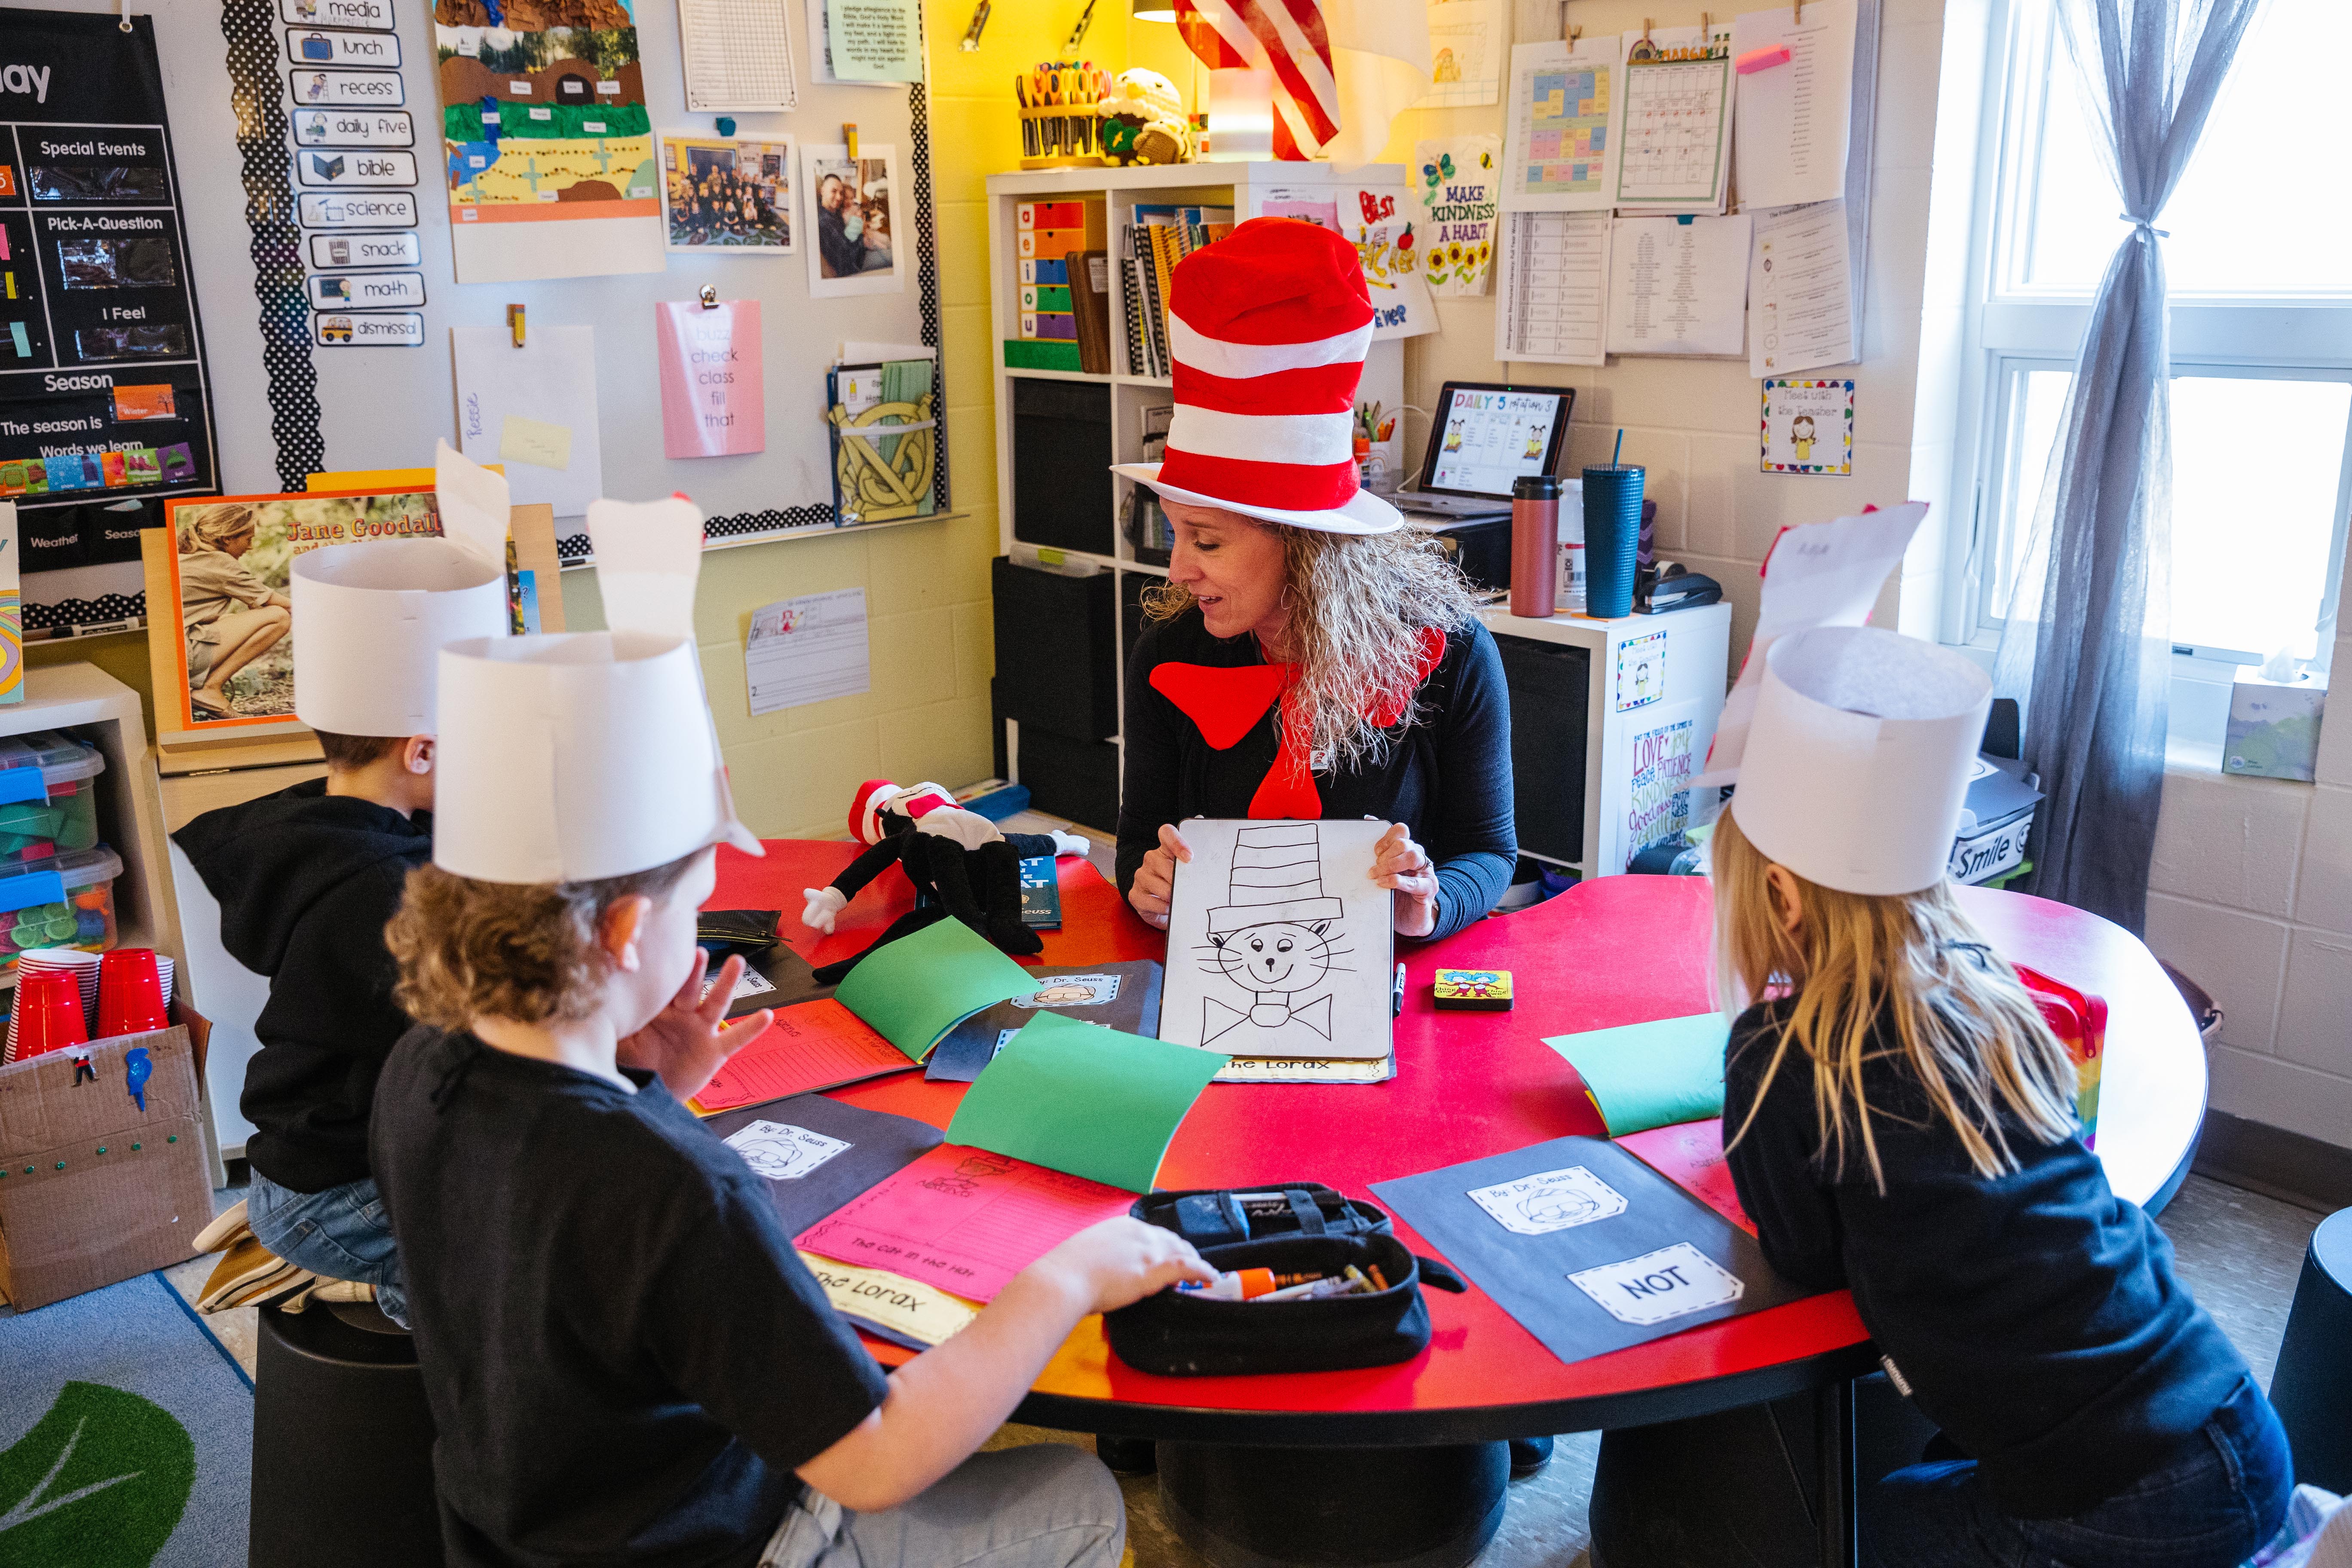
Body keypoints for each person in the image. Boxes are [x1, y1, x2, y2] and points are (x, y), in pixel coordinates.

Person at [372, 513, 1210, 1568]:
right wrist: (1067, 1276)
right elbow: (871, 1461)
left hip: (514, 1532)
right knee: (1074, 1491)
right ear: (629, 931)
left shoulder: (420, 1069)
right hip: (717, 1541)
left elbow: (554, 1242)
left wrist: (657, 1089)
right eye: (695, 899)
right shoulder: (679, 1189)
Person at [1711, 624, 2293, 1568]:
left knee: (1879, 1529)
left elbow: (1809, 1263)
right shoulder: (1992, 996)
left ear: (1780, 896)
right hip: (2233, 1425)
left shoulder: (1780, 1055)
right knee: (1922, 1487)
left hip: (2129, 1501)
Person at [1112, 217, 1514, 946]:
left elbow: (1488, 851)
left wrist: (1430, 897)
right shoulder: (1169, 657)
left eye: (1206, 540)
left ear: (1308, 547)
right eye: (1175, 532)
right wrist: (1148, 887)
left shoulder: (1450, 653)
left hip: (1388, 998)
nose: (1177, 569)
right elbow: (1139, 842)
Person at [177, 516, 510, 1327]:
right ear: (422, 753)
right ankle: (366, 1281)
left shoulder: (330, 825)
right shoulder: (378, 892)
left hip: (315, 1153)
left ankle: (291, 1236)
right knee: (520, 1251)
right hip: (336, 1189)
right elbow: (478, 1047)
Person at [176, 502, 291, 722]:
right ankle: (210, 688)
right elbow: (282, 605)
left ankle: (206, 689)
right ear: (228, 538)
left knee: (231, 618)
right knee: (278, 617)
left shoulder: (189, 554)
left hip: (176, 651)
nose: (250, 547)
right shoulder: (220, 561)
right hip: (185, 654)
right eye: (248, 540)